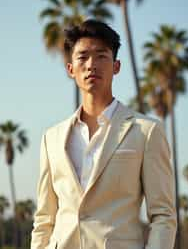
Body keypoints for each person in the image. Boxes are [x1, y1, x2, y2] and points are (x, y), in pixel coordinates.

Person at [31, 19, 177, 249]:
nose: (91, 65)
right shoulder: (52, 138)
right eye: (83, 57)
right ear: (70, 69)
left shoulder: (147, 132)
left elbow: (163, 216)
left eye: (101, 56)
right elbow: (44, 219)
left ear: (116, 66)